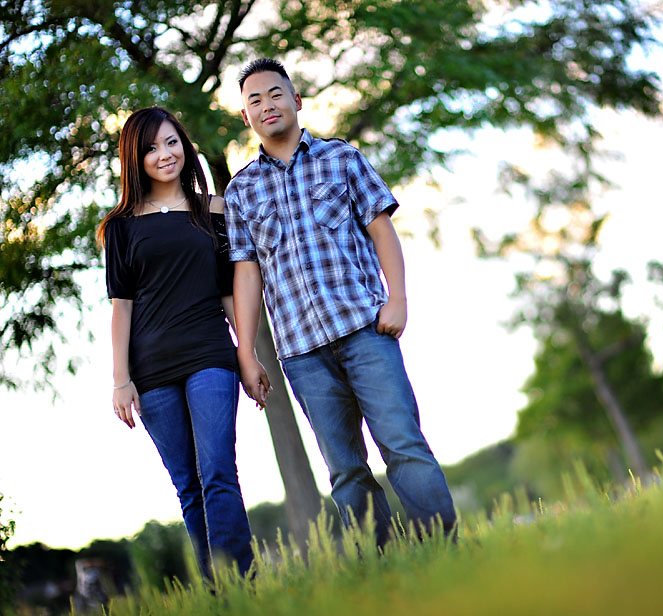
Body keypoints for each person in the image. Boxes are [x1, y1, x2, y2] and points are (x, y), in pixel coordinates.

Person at [224, 58, 456, 548]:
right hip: (301, 353)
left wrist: (398, 300)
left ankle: (445, 553)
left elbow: (381, 229)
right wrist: (247, 352)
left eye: (275, 94)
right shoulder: (241, 191)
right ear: (245, 117)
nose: (267, 105)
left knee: (403, 446)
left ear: (297, 100)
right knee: (346, 472)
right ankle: (387, 571)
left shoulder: (342, 158)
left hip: (365, 331)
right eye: (254, 100)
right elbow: (246, 275)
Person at [97, 107, 254, 579]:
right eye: (150, 148)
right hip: (151, 368)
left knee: (219, 473)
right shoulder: (121, 227)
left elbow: (229, 290)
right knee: (188, 486)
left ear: (184, 146)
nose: (164, 154)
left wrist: (248, 354)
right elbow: (121, 305)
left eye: (171, 142)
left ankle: (241, 584)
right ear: (135, 159)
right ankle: (216, 592)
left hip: (210, 352)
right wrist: (120, 380)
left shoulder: (215, 210)